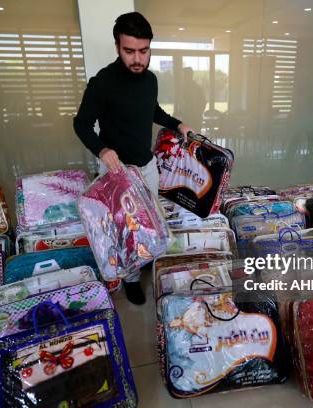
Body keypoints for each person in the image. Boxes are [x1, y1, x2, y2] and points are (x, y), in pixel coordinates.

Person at [73, 11, 193, 305]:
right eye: (130, 51)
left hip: (147, 166)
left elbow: (153, 111)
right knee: (127, 229)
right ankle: (131, 278)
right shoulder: (102, 82)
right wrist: (102, 149)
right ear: (117, 48)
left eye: (144, 51)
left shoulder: (150, 79)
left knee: (149, 223)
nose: (138, 59)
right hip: (116, 171)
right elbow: (81, 124)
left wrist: (178, 124)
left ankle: (150, 263)